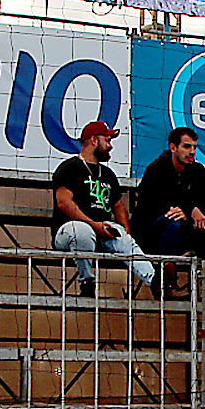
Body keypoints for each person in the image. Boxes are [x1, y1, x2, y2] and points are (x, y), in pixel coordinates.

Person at [51, 120, 156, 299]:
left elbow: (118, 204)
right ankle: (87, 281)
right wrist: (94, 224)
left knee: (122, 238)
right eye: (107, 141)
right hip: (68, 231)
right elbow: (63, 202)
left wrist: (124, 230)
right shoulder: (69, 167)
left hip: (101, 231)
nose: (110, 146)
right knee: (81, 231)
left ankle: (155, 281)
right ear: (93, 140)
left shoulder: (107, 174)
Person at [134, 125, 205, 295]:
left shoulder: (197, 171)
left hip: (182, 227)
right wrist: (187, 209)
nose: (192, 151)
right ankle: (167, 283)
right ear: (173, 147)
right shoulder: (155, 170)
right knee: (173, 222)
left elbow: (203, 201)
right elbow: (150, 207)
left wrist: (190, 210)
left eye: (194, 147)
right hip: (150, 230)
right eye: (187, 146)